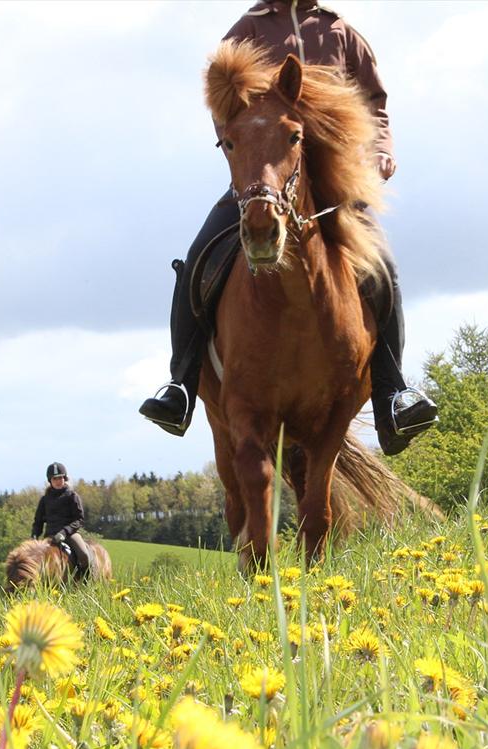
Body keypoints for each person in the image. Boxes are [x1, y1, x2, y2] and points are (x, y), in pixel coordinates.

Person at [138, 0, 437, 456]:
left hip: (335, 178)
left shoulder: (340, 32)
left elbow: (374, 99)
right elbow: (222, 102)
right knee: (198, 258)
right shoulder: (246, 30)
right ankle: (179, 387)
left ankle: (393, 395)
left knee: (382, 269)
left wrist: (379, 148)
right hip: (268, 176)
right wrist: (244, 146)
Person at [31, 462, 93, 580]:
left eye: (60, 478)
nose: (58, 481)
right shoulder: (44, 500)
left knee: (84, 554)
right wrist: (34, 536)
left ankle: (87, 581)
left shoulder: (72, 496)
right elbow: (38, 521)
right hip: (50, 536)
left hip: (70, 534)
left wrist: (64, 532)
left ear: (65, 478)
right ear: (50, 480)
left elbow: (79, 519)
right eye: (55, 479)